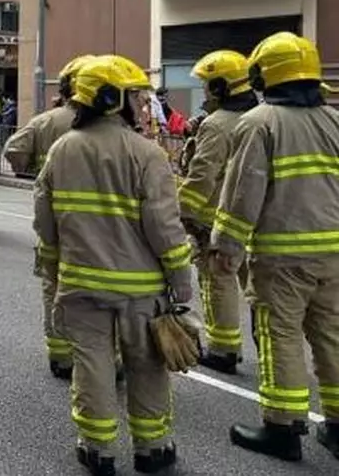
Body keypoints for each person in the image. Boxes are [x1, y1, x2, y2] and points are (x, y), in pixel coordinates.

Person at [34, 55, 191, 476]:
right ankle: (152, 449)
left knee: (93, 365)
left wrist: (51, 271)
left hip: (81, 287)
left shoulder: (61, 150)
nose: (141, 106)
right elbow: (165, 230)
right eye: (135, 97)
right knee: (147, 367)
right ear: (111, 98)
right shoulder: (147, 154)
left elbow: (45, 223)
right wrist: (183, 286)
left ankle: (97, 448)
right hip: (142, 292)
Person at [211, 32, 339, 463]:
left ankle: (282, 429)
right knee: (333, 337)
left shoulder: (259, 123)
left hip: (282, 258)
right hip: (335, 254)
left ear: (263, 75)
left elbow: (243, 192)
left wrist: (226, 245)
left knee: (280, 335)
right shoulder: (334, 120)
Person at [5, 53, 94, 379]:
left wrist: (32, 170)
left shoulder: (48, 121)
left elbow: (13, 149)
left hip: (57, 222)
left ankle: (61, 356)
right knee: (101, 295)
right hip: (105, 227)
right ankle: (108, 360)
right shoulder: (115, 128)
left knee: (55, 287)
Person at [176, 50, 260, 375]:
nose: (205, 92)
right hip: (257, 221)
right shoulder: (262, 118)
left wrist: (184, 213)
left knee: (219, 282)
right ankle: (266, 348)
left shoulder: (217, 125)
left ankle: (224, 349)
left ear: (222, 87)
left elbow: (202, 176)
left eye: (208, 85)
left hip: (217, 220)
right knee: (257, 289)